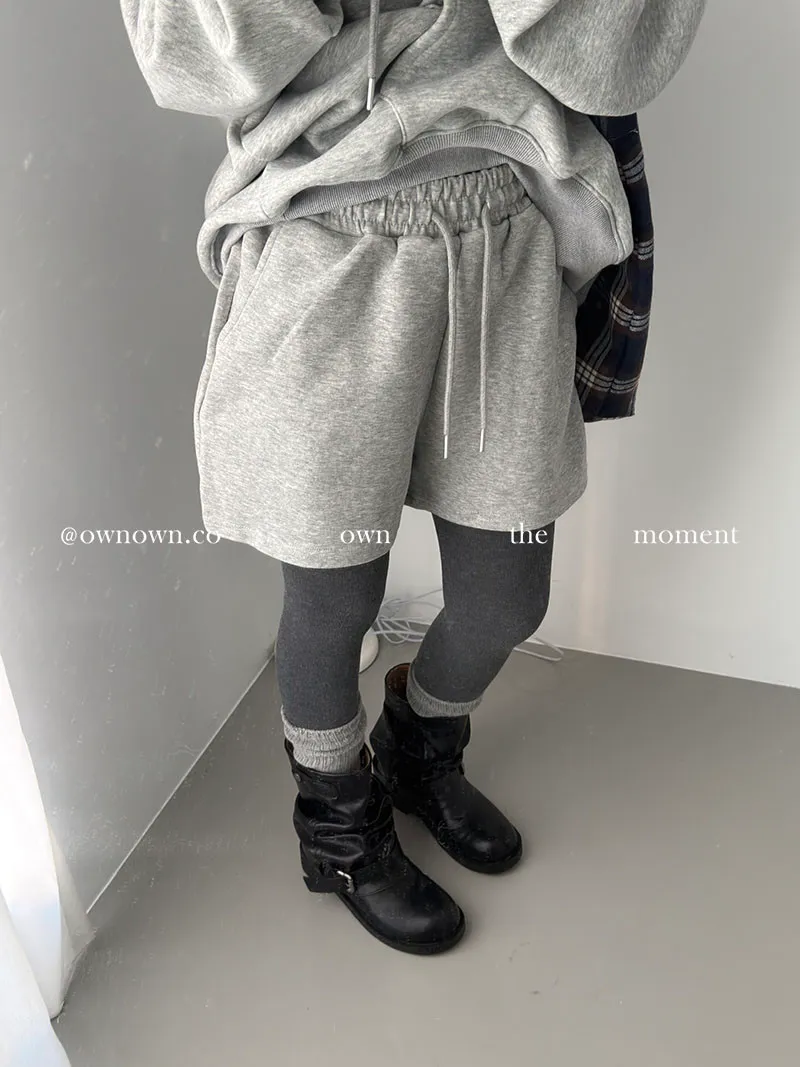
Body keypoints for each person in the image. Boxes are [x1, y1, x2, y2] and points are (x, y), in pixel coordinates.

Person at [119, 0, 707, 955]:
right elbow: (192, 63)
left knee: (507, 594)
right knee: (333, 592)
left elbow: (615, 56)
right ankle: (337, 826)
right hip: (326, 245)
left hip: (507, 239)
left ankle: (418, 743)